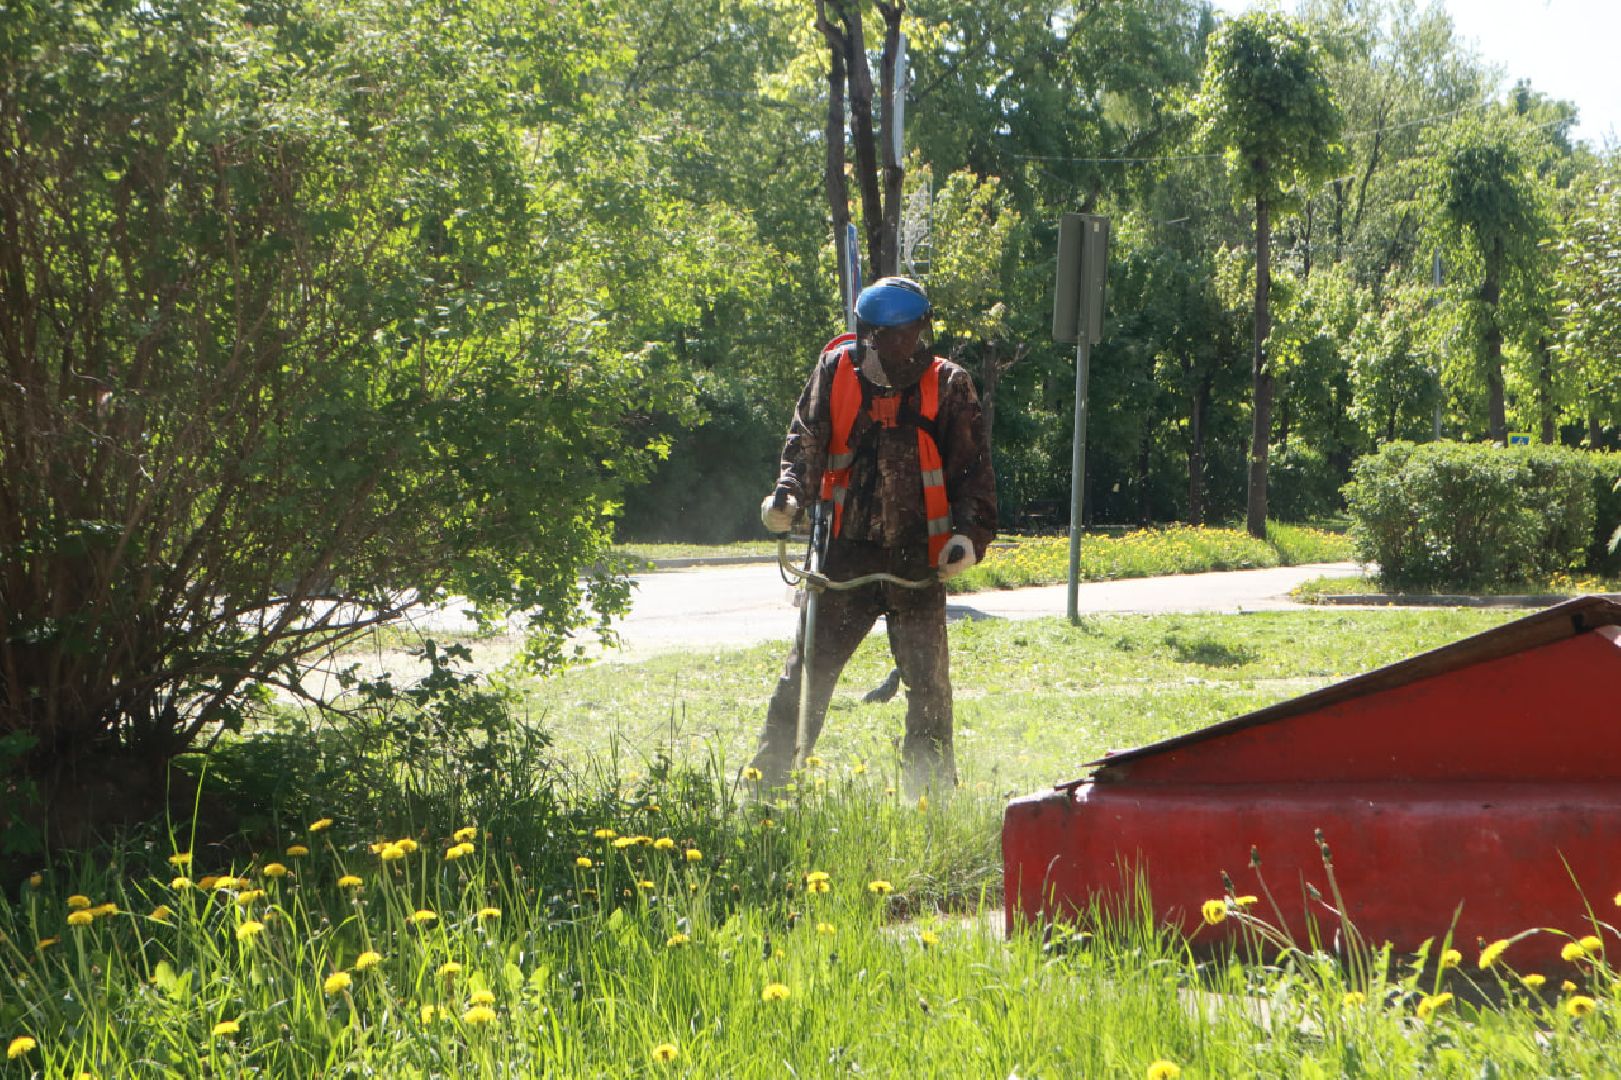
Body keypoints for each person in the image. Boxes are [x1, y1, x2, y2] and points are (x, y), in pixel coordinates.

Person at [751, 276, 997, 797]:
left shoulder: (950, 385)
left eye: (905, 333)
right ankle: (766, 791)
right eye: (883, 335)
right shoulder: (835, 373)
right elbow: (805, 445)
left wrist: (968, 538)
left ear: (923, 329)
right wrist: (787, 500)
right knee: (804, 680)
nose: (895, 346)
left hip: (919, 562)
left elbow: (973, 473)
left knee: (929, 690)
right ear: (866, 332)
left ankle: (928, 799)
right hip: (842, 559)